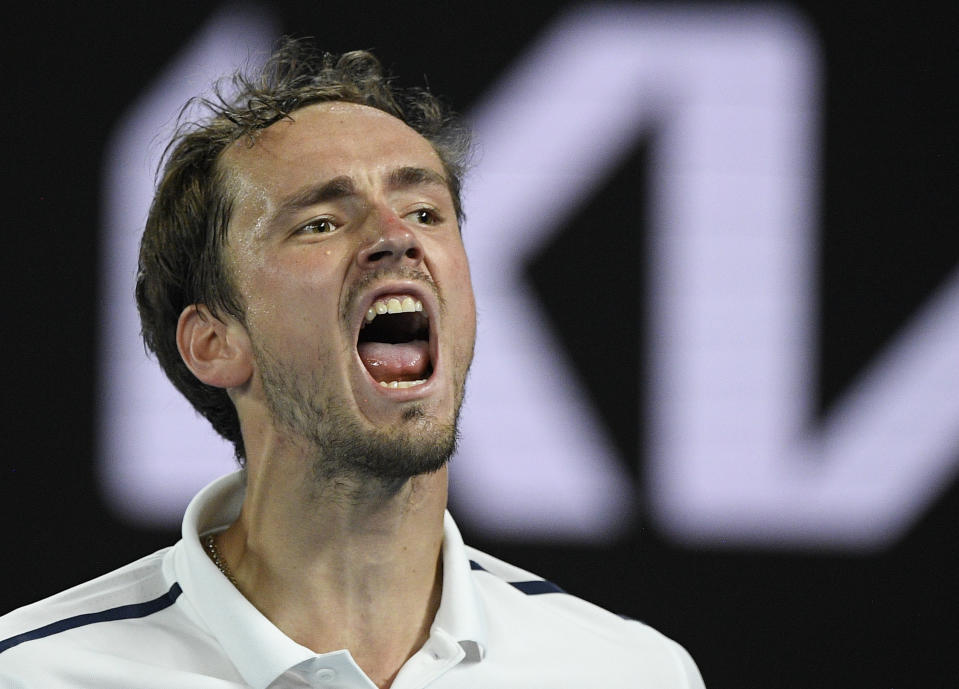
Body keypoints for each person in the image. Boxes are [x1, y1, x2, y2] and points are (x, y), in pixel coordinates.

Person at [0, 38, 705, 688]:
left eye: (426, 212)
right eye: (321, 222)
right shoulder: (36, 673)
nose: (395, 238)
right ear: (214, 343)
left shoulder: (630, 670)